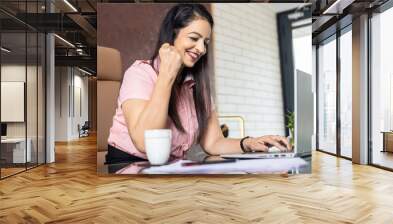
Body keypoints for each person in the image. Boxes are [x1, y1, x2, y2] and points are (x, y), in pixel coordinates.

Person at [106, 4, 291, 164]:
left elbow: (213, 142)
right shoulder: (139, 73)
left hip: (170, 169)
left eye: (206, 42)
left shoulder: (197, 87)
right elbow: (144, 142)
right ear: (172, 36)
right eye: (194, 38)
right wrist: (166, 76)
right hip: (127, 166)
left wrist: (248, 143)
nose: (202, 49)